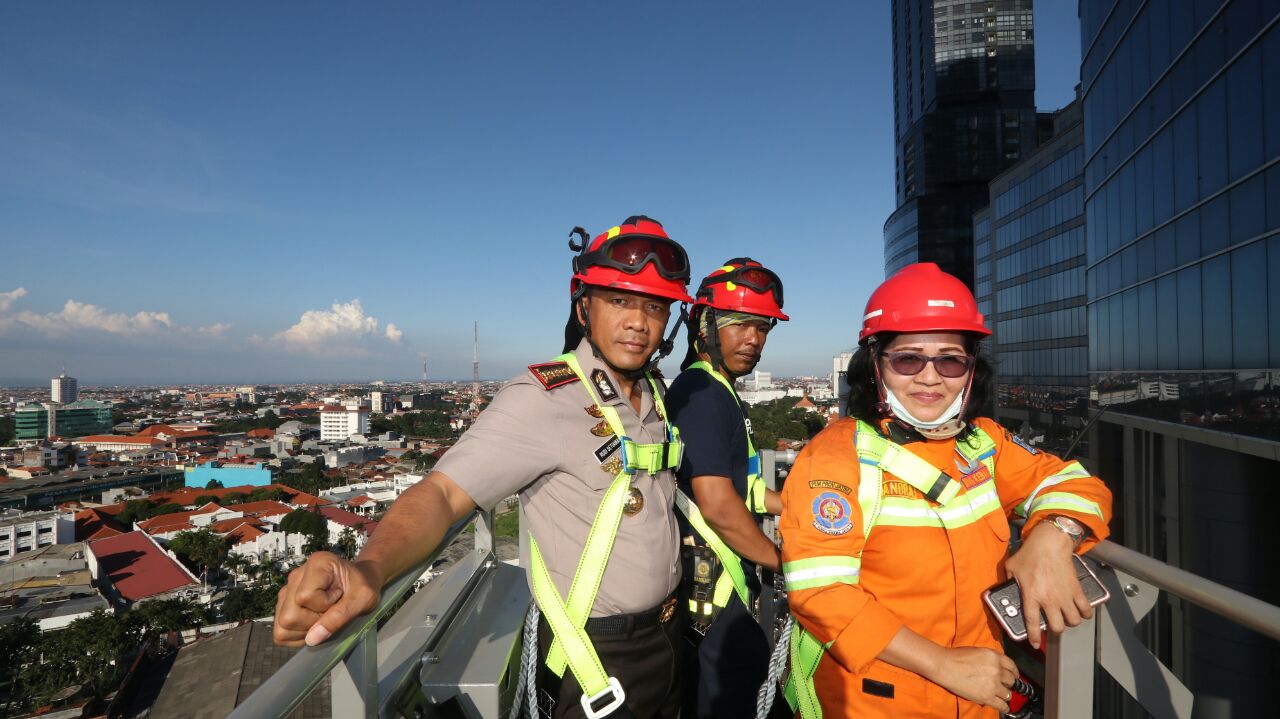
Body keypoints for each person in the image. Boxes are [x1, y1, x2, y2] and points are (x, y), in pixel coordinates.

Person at [273, 215, 694, 719]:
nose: (639, 321)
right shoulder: (544, 398)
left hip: (669, 633)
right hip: (600, 660)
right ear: (584, 305)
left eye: (655, 306)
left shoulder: (653, 393)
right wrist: (370, 567)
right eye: (620, 300)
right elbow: (443, 494)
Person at [778, 262, 1113, 718]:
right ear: (875, 365)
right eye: (908, 359)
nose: (930, 377)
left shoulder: (984, 443)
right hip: (875, 702)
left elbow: (1074, 483)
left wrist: (1054, 537)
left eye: (950, 360)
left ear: (971, 369)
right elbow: (821, 592)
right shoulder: (836, 458)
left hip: (979, 696)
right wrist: (941, 664)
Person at [663, 258, 792, 719]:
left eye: (762, 327)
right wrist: (787, 563)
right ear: (704, 326)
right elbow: (718, 505)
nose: (753, 339)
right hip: (714, 596)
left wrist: (796, 506)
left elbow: (742, 485)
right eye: (739, 324)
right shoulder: (703, 396)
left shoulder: (718, 390)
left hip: (718, 587)